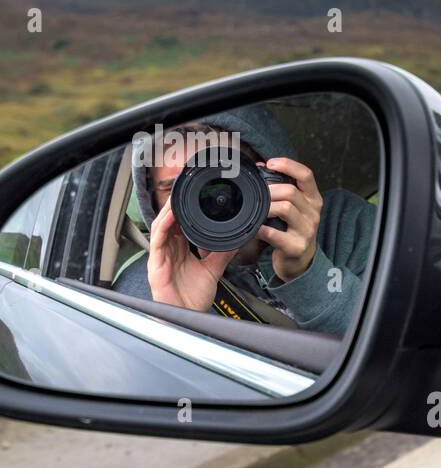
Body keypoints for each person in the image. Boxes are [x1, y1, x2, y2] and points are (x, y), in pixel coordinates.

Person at [113, 104, 376, 336]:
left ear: (271, 170)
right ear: (154, 207)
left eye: (224, 176)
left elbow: (397, 343)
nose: (209, 198)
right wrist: (176, 321)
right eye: (177, 189)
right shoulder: (142, 288)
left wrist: (308, 272)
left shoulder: (348, 224)